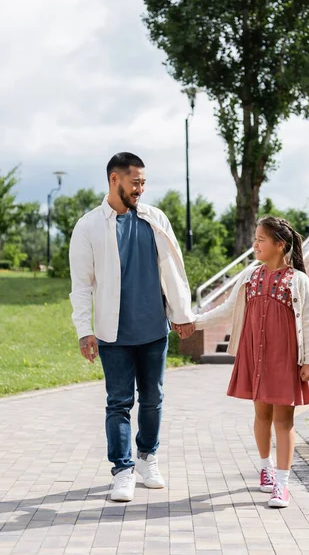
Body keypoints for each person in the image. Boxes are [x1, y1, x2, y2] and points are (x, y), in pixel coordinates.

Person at [69, 152, 195, 502]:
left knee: (153, 399)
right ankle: (122, 470)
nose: (141, 188)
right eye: (134, 182)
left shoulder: (155, 219)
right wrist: (84, 329)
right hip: (113, 334)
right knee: (119, 402)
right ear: (114, 180)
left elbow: (174, 269)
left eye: (143, 182)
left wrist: (182, 313)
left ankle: (146, 458)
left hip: (154, 329)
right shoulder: (89, 226)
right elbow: (80, 285)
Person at [178, 217, 309, 508]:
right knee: (261, 416)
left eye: (261, 240)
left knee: (284, 420)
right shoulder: (249, 276)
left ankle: (282, 484)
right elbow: (227, 310)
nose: (255, 244)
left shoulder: (298, 280)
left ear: (280, 245)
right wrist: (194, 322)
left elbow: (308, 322)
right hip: (255, 355)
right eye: (255, 238)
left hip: (286, 359)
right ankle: (265, 467)